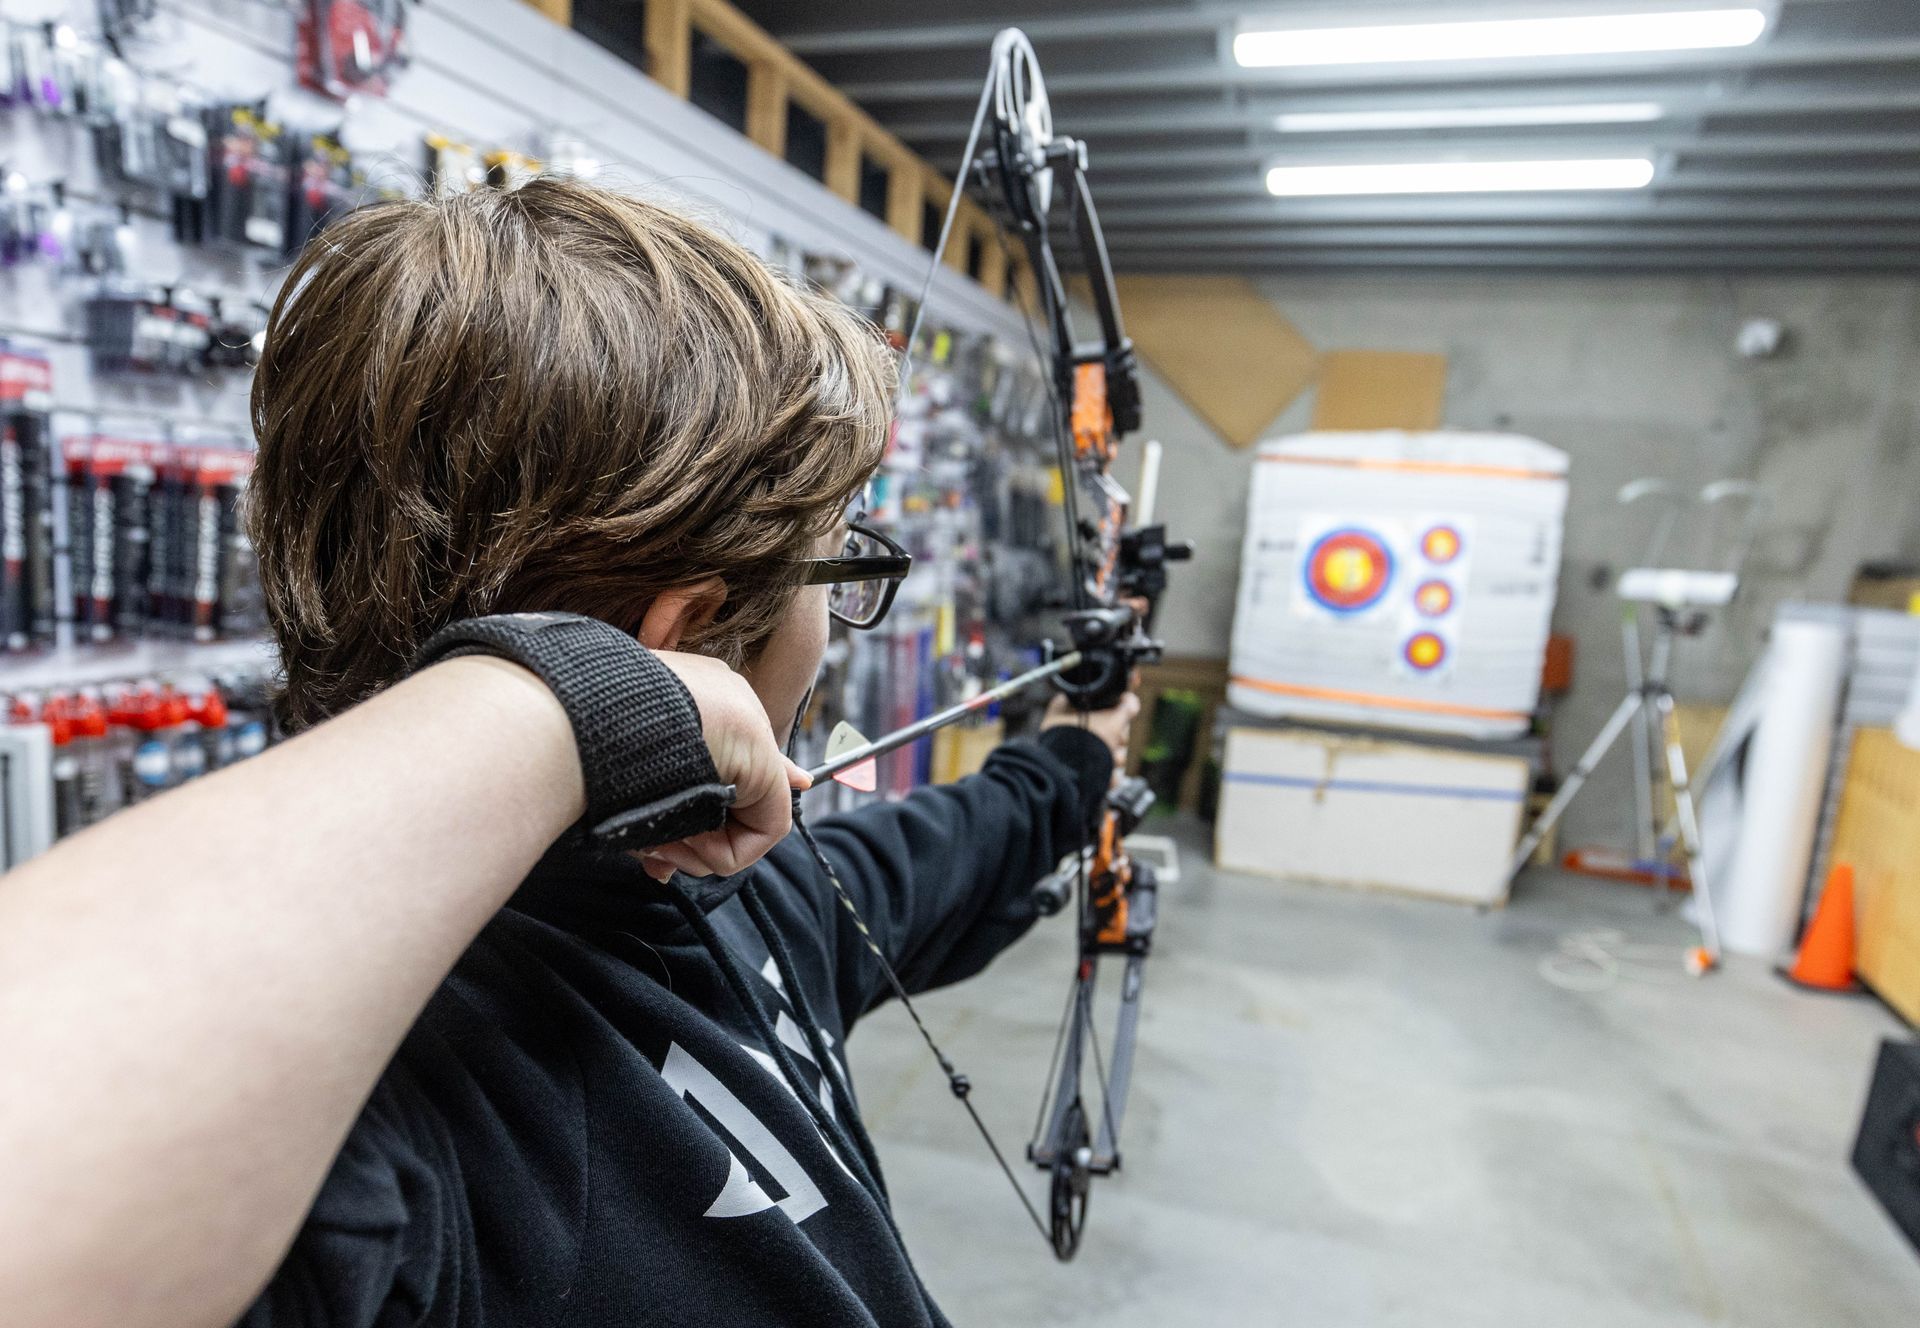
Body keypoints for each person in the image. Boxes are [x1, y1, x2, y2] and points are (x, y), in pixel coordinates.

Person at [0, 176, 1138, 1328]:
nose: (832, 639)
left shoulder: (751, 893)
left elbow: (962, 838)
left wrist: (1081, 745)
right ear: (685, 636)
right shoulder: (421, 1098)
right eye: (836, 568)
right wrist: (565, 706)